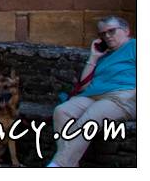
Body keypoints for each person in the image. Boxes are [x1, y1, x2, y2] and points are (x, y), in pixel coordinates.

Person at [48, 15, 134, 166]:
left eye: (111, 31)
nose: (107, 36)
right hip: (92, 96)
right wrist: (94, 57)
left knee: (91, 116)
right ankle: (69, 166)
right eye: (102, 34)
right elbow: (84, 86)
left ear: (126, 30)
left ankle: (58, 165)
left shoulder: (135, 46)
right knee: (62, 111)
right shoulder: (104, 54)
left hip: (121, 97)